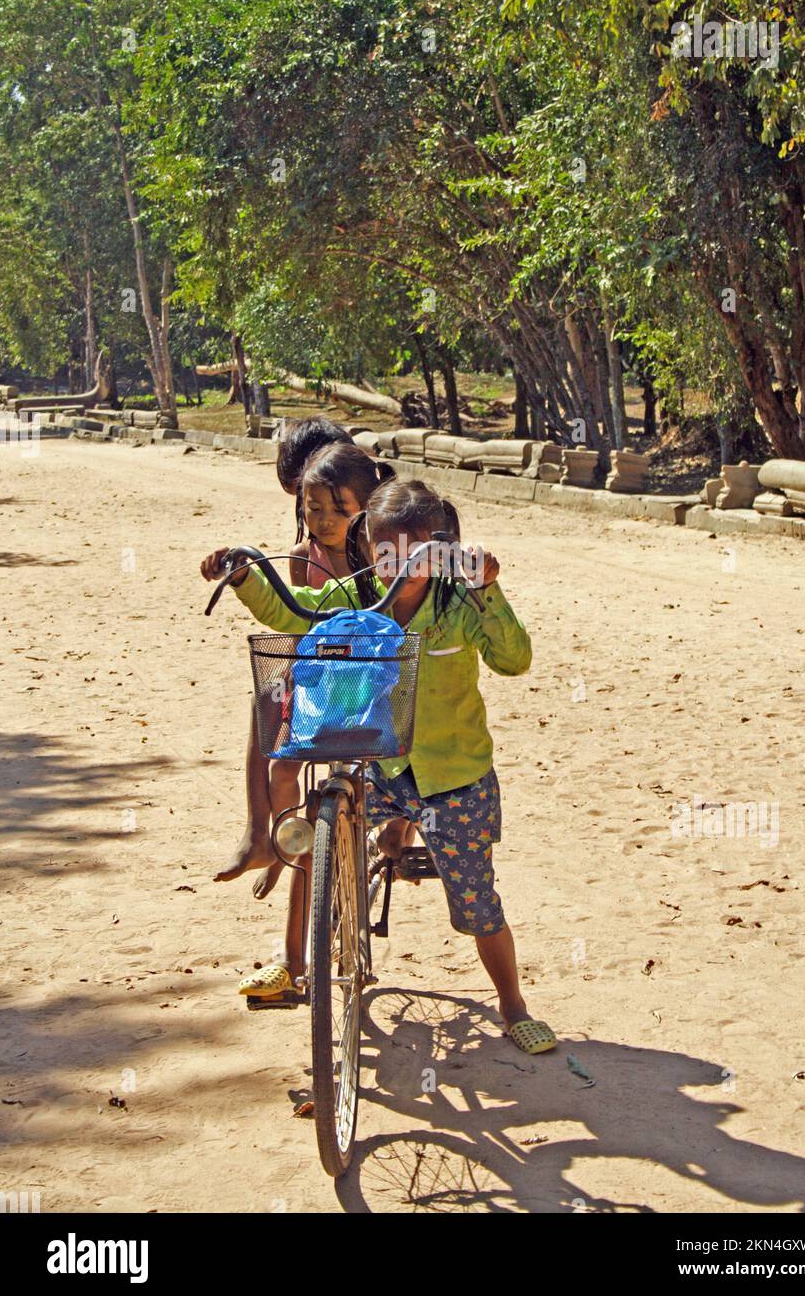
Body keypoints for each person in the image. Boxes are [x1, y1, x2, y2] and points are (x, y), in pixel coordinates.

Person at [201, 479, 556, 1054]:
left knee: (476, 903)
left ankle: (513, 1006)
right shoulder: (356, 596)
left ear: (443, 548)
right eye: (388, 551)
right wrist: (245, 577)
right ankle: (296, 959)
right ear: (370, 546)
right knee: (320, 832)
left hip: (452, 777)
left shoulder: (458, 603)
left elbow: (514, 658)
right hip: (379, 763)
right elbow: (297, 615)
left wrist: (490, 588)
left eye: (419, 552)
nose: (400, 567)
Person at [215, 419, 354, 898]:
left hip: (374, 674)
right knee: (268, 692)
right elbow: (295, 623)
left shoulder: (380, 540)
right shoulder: (304, 552)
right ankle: (266, 833)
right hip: (324, 674)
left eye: (321, 500)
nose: (316, 515)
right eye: (306, 503)